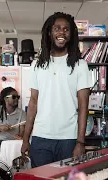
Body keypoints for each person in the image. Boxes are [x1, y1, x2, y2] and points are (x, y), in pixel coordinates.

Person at [21, 12, 91, 168]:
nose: (62, 32)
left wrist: (80, 141)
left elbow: (83, 107)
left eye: (66, 29)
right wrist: (26, 139)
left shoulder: (80, 66)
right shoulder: (37, 66)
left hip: (69, 139)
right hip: (40, 138)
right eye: (57, 28)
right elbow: (33, 103)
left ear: (71, 34)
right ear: (49, 33)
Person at [0, 87, 26, 159]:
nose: (17, 99)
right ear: (5, 99)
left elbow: (22, 131)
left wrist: (19, 136)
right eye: (14, 97)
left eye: (18, 97)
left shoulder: (22, 113)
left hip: (14, 143)